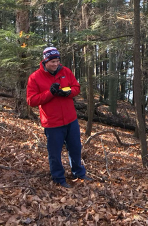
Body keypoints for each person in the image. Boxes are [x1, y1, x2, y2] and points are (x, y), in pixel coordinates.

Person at [26, 46, 92, 188]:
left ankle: (79, 173)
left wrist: (68, 92)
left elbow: (76, 87)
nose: (55, 64)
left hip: (70, 119)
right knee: (55, 153)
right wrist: (50, 93)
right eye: (52, 61)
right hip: (52, 122)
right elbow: (31, 101)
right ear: (45, 61)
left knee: (75, 148)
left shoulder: (65, 71)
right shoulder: (35, 77)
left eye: (57, 61)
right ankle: (59, 178)